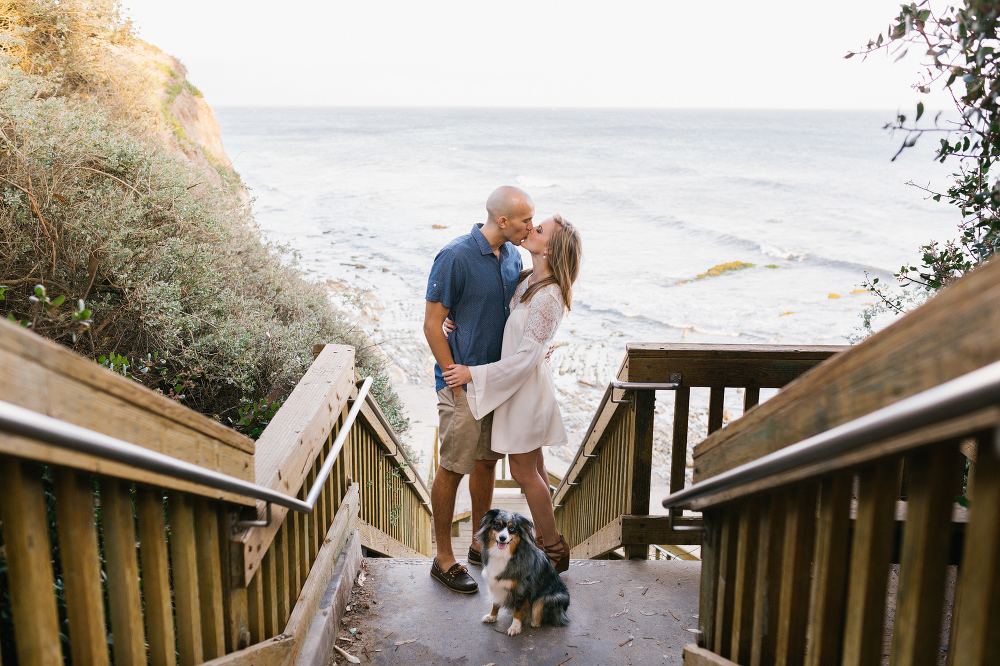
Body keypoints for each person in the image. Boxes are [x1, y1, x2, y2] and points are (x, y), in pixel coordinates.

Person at [443, 214, 582, 573]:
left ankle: (552, 548)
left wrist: (472, 373)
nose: (530, 229)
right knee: (533, 468)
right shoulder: (527, 278)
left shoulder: (549, 295)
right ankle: (551, 543)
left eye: (538, 229)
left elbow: (524, 360)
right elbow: (497, 314)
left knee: (524, 472)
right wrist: (452, 318)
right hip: (519, 388)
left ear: (549, 247)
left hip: (525, 392)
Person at [423, 185, 534, 593]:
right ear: (503, 221)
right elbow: (432, 324)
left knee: (487, 463)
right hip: (461, 386)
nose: (531, 226)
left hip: (495, 383)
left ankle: (478, 542)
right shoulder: (455, 256)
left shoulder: (514, 257)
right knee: (453, 467)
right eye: (525, 219)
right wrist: (450, 372)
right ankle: (443, 557)